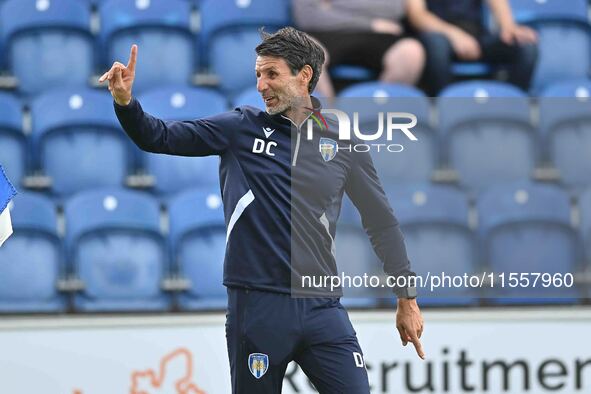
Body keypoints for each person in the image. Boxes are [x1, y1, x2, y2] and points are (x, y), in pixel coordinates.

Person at [99, 27, 424, 393]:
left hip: (322, 305)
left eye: (271, 74)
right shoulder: (239, 128)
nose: (260, 85)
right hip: (256, 306)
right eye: (258, 74)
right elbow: (157, 135)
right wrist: (126, 102)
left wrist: (406, 298)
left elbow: (381, 222)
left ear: (304, 76)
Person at [293, 0, 425, 97]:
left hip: (381, 35)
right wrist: (370, 23)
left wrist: (334, 7)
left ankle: (377, 113)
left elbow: (395, 8)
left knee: (411, 52)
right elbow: (308, 15)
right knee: (304, 52)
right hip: (325, 32)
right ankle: (329, 120)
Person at [407, 0, 538, 95]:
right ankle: (446, 108)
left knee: (526, 47)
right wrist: (454, 35)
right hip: (439, 34)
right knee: (436, 45)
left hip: (477, 36)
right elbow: (417, 15)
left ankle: (510, 106)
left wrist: (509, 27)